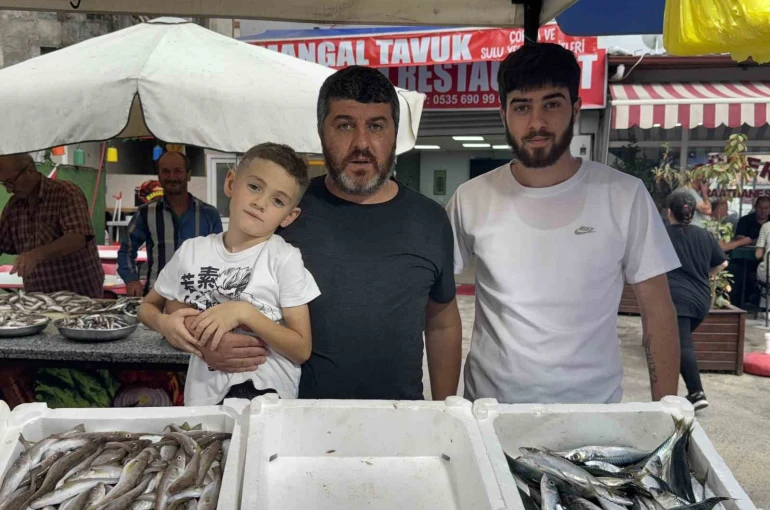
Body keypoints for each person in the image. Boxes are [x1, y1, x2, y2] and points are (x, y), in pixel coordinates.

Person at [203, 66, 463, 401]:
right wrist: (210, 347)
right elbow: (221, 293)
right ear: (321, 131)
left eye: (376, 126)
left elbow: (442, 322)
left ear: (394, 133)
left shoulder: (430, 220)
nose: (361, 144)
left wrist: (445, 410)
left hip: (401, 421)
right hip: (293, 418)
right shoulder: (284, 212)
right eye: (344, 126)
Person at [446, 43, 682, 405]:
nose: (536, 123)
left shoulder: (624, 195)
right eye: (522, 106)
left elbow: (658, 310)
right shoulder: (471, 197)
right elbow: (439, 302)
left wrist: (668, 413)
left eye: (551, 104)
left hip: (592, 418)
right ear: (503, 113)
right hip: (490, 413)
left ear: (575, 109)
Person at [138, 143, 320, 405]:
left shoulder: (284, 258)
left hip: (268, 402)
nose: (260, 203)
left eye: (277, 201)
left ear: (289, 216)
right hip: (203, 400)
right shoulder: (191, 251)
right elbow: (147, 308)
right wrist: (165, 325)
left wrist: (243, 312)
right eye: (255, 187)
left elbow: (301, 349)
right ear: (231, 183)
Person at [118, 151, 223, 297]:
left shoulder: (209, 215)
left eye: (178, 171)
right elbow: (126, 250)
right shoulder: (145, 213)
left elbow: (220, 256)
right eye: (165, 172)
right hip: (155, 297)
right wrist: (131, 280)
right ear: (159, 176)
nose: (172, 177)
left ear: (188, 175)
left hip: (197, 298)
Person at [0, 153, 104, 298]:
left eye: (11, 182)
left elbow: (77, 237)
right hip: (37, 296)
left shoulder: (66, 193)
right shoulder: (13, 206)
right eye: (4, 184)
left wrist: (36, 255)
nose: (9, 190)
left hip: (77, 293)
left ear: (29, 170)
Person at [665, 192, 727, 411]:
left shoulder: (661, 234)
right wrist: (703, 272)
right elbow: (721, 264)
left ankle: (696, 392)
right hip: (701, 300)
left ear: (669, 212)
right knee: (673, 344)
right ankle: (669, 391)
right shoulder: (705, 235)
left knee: (682, 344)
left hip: (678, 300)